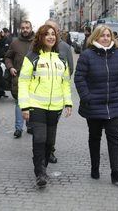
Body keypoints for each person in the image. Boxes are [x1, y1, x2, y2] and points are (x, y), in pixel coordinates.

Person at [18, 24, 72, 187]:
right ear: (40, 37)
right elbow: (23, 82)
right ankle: (39, 173)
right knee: (40, 139)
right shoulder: (32, 57)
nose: (50, 37)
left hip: (55, 107)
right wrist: (24, 106)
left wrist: (68, 102)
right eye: (47, 34)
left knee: (49, 142)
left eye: (53, 34)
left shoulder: (61, 59)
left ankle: (43, 167)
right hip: (36, 106)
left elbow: (65, 83)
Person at [75, 25, 118, 184]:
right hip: (94, 105)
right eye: (102, 35)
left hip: (114, 103)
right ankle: (95, 168)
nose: (106, 38)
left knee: (114, 138)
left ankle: (116, 172)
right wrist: (87, 97)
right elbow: (79, 78)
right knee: (94, 138)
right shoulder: (87, 55)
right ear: (96, 37)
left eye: (108, 36)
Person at [44, 19, 73, 164]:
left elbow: (70, 70)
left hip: (57, 96)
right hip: (40, 96)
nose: (50, 33)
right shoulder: (36, 46)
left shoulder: (65, 47)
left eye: (53, 30)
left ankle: (50, 150)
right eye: (47, 29)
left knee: (52, 125)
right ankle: (41, 150)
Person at [5, 21, 35, 138]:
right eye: (23, 28)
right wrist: (10, 67)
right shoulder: (15, 43)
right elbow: (8, 57)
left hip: (34, 79)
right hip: (19, 78)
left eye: (27, 28)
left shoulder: (37, 42)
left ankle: (30, 125)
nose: (25, 30)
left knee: (32, 103)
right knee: (19, 103)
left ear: (31, 28)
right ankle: (18, 128)